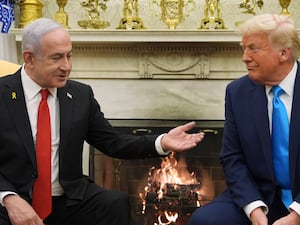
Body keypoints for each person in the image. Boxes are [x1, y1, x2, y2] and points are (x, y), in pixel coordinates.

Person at [0, 18, 205, 225]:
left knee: (114, 202)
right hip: (13, 197)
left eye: (69, 56)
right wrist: (8, 197)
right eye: (56, 58)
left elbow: (113, 142)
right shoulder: (2, 94)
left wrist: (162, 142)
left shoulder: (80, 95)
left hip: (68, 198)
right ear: (30, 58)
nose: (67, 66)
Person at [189, 13, 300, 225]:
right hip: (259, 195)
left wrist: (297, 215)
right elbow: (232, 158)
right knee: (205, 220)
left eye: (253, 48)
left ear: (284, 53)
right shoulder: (237, 92)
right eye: (244, 48)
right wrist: (254, 209)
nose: (245, 57)